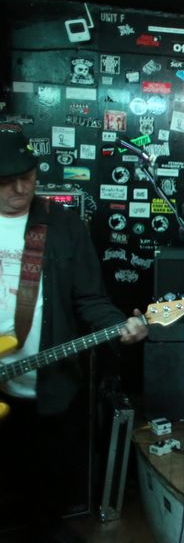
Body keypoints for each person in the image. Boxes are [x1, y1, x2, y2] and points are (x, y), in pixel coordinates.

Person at [0, 129, 148, 538]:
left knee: (48, 479)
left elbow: (90, 297)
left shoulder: (61, 224)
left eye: (27, 178)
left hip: (48, 381)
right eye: (7, 181)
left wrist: (119, 324)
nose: (20, 189)